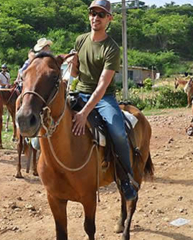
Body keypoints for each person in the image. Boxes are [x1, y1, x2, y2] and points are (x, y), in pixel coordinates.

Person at [70, 0, 137, 200]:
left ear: (109, 18)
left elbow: (102, 84)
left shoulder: (112, 48)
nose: (95, 18)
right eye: (92, 13)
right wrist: (72, 64)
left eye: (101, 14)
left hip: (103, 97)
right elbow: (74, 73)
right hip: (79, 92)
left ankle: (126, 177)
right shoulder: (80, 40)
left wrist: (84, 113)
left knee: (117, 131)